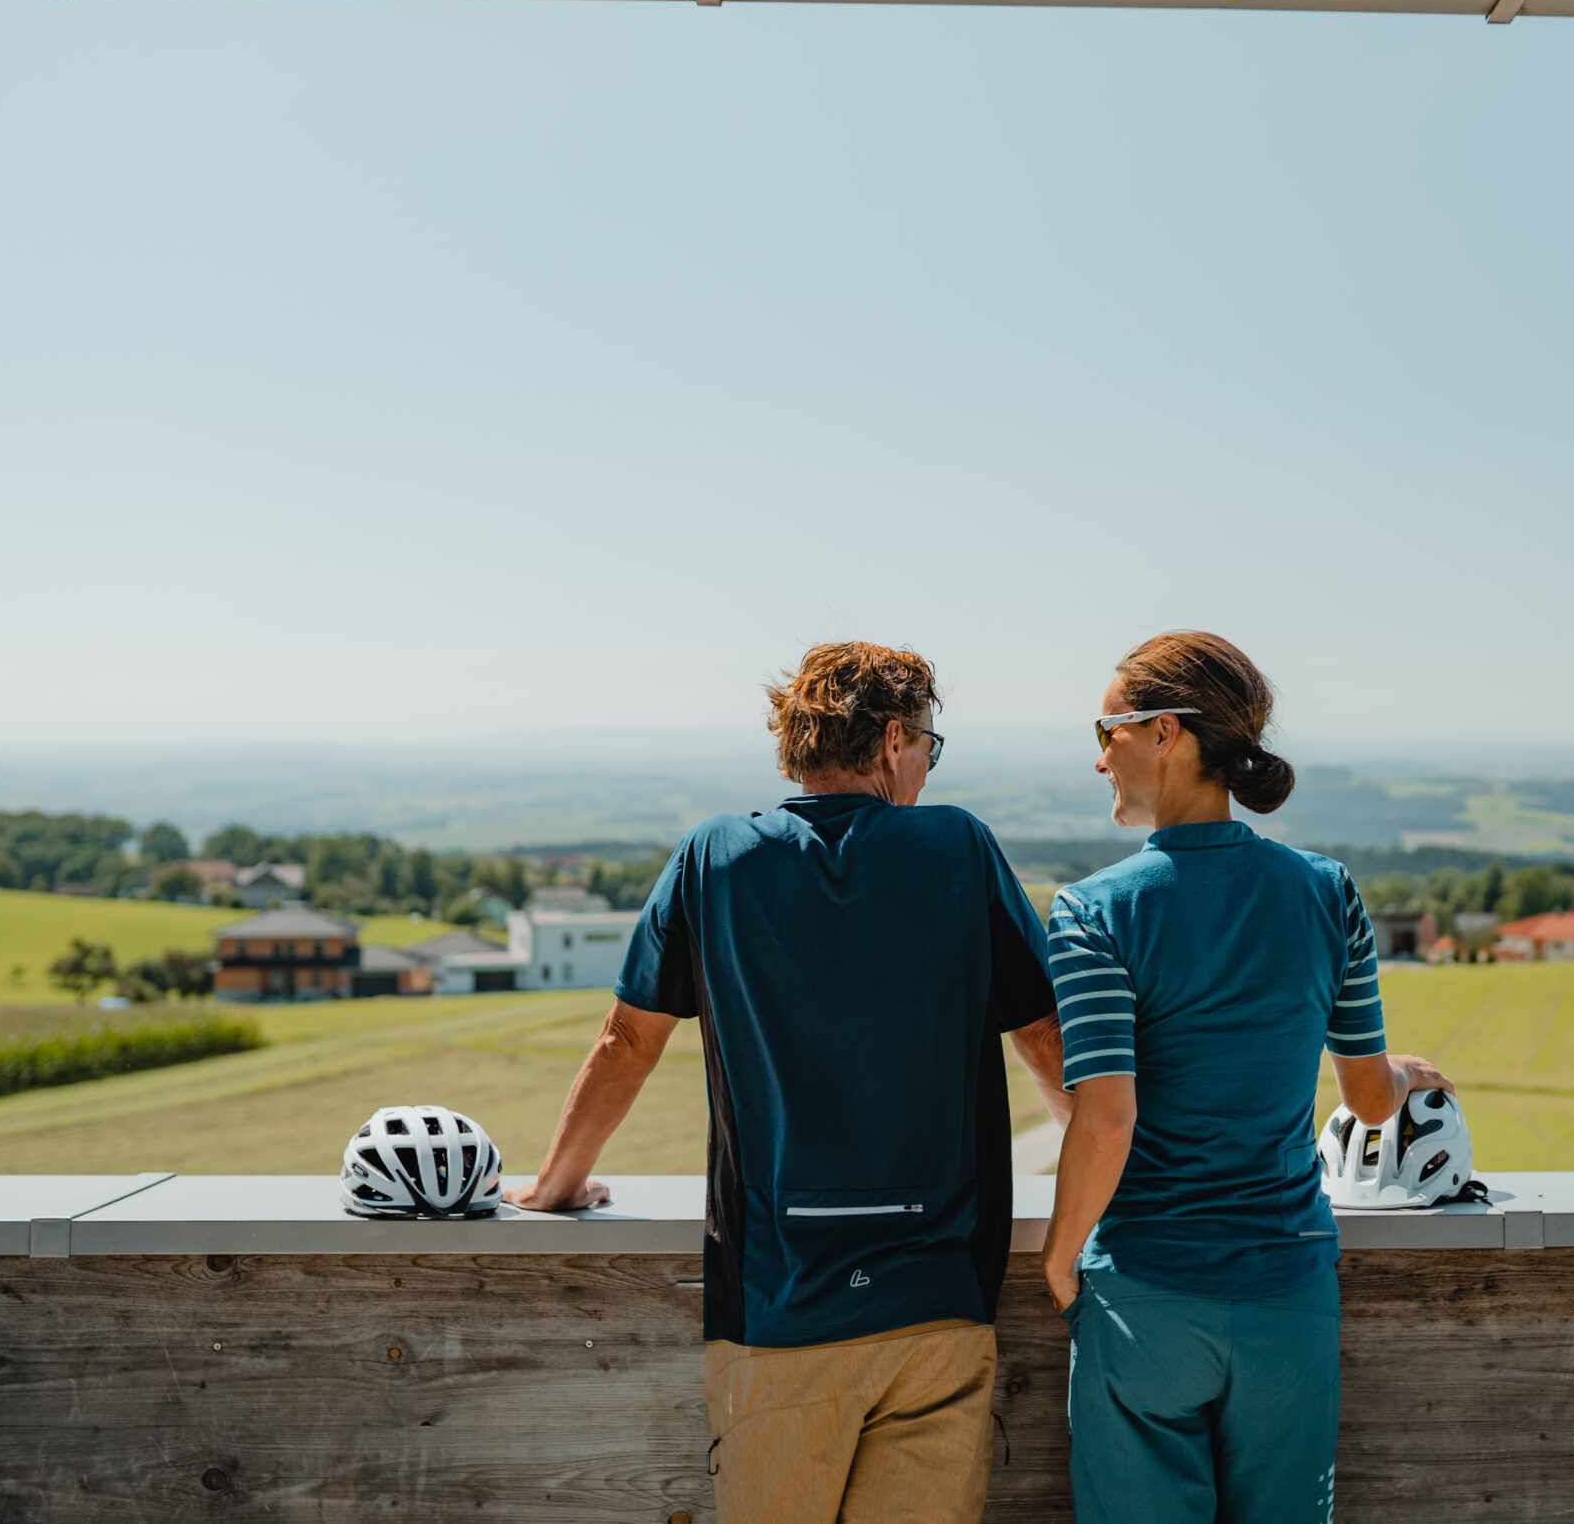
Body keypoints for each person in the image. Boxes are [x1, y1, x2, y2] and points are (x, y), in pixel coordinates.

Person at [506, 641, 1070, 1524]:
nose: (926, 764)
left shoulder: (712, 856)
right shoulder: (960, 846)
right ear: (892, 740)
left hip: (775, 1314)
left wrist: (556, 1184)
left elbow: (625, 1042)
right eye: (928, 743)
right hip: (937, 1308)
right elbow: (1045, 1038)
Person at [1039, 631, 1451, 1524]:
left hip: (1145, 1296)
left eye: (1107, 728)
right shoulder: (1327, 891)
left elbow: (1107, 1120)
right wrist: (1404, 1069)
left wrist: (1061, 1258)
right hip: (1288, 1297)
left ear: (1166, 733)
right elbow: (1369, 1102)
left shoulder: (1089, 911)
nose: (1098, 754)